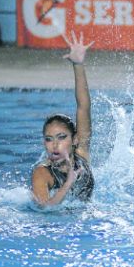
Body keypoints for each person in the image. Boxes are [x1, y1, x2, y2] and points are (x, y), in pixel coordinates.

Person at [31, 32, 95, 207]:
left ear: (74, 140)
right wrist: (68, 183)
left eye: (61, 137)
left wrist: (78, 64)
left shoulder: (81, 153)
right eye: (49, 139)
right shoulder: (42, 173)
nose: (54, 145)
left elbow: (83, 106)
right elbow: (44, 208)